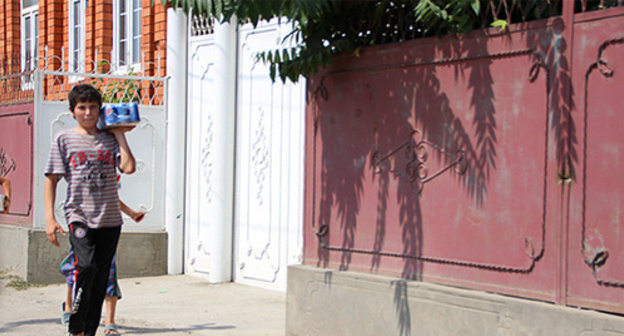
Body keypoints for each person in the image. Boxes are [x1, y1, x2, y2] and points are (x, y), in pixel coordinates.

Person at [44, 84, 136, 336]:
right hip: (79, 216)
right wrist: (50, 218)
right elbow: (51, 179)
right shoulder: (63, 139)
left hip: (110, 220)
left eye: (93, 107)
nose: (88, 112)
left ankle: (89, 331)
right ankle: (75, 327)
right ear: (72, 111)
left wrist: (119, 134)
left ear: (100, 109)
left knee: (100, 278)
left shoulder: (109, 139)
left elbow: (128, 168)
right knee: (86, 268)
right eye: (81, 107)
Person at [61, 201, 145, 336]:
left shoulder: (111, 181)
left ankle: (109, 321)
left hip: (105, 225)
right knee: (80, 268)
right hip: (82, 223)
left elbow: (110, 197)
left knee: (108, 271)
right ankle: (69, 307)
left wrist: (130, 212)